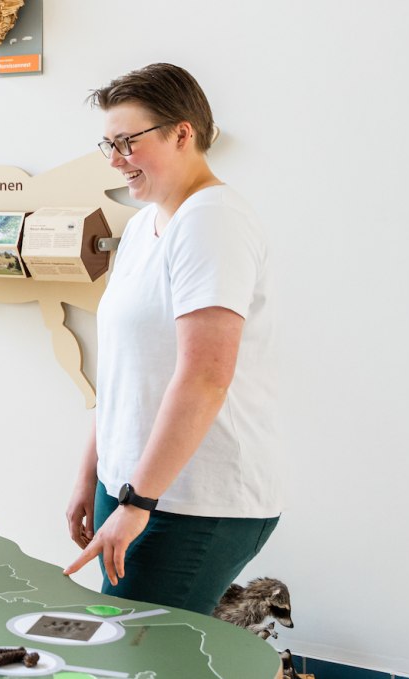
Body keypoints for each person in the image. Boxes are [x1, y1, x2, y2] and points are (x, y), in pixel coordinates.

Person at [61, 64, 282, 615]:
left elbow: (205, 377)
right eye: (107, 144)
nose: (113, 159)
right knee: (124, 650)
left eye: (126, 142)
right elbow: (125, 371)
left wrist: (137, 501)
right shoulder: (143, 225)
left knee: (139, 658)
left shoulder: (214, 221)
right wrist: (93, 473)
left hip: (189, 499)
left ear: (183, 134)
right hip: (137, 486)